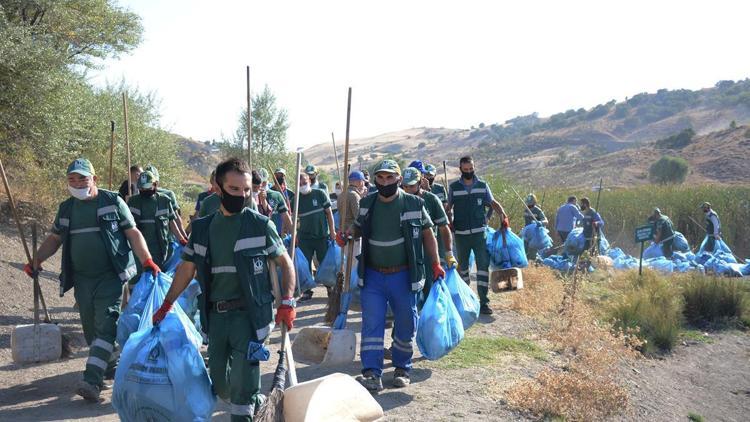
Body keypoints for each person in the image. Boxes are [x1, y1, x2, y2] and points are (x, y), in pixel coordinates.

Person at [151, 158, 296, 421]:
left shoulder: (260, 225)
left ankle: (246, 407)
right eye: (234, 189)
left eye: (247, 190)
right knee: (220, 384)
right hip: (216, 317)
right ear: (217, 188)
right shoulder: (203, 229)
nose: (242, 196)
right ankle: (253, 398)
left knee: (241, 386)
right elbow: (186, 269)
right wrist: (167, 304)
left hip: (249, 317)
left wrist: (287, 301)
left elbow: (285, 263)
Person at [23, 158, 159, 402]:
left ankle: (91, 380)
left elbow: (133, 233)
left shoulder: (112, 201)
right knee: (91, 331)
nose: (77, 183)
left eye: (82, 178)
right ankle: (111, 362)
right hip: (82, 279)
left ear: (94, 179)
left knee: (106, 324)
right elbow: (54, 239)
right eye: (72, 179)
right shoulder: (67, 208)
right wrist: (36, 260)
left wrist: (147, 260)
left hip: (111, 276)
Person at [339, 159, 442, 392]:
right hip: (373, 276)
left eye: (389, 177)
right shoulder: (367, 203)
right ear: (375, 180)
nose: (385, 181)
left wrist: (436, 264)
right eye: (380, 177)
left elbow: (428, 235)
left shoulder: (414, 204)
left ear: (399, 179)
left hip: (403, 276)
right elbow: (356, 227)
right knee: (371, 325)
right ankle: (371, 373)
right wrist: (347, 234)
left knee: (406, 323)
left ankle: (402, 368)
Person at [445, 156, 507, 315]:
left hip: (480, 234)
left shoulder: (482, 185)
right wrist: (448, 222)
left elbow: (492, 203)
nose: (468, 172)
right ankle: (466, 302)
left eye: (471, 169)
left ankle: (484, 302)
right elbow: (448, 208)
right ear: (460, 169)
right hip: (461, 234)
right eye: (465, 170)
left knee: (482, 267)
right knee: (463, 269)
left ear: (474, 167)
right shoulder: (454, 188)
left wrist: (503, 216)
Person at [400, 167, 456, 308]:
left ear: (420, 183)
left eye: (412, 186)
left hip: (428, 256)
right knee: (406, 298)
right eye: (405, 186)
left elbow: (444, 228)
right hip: (406, 256)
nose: (408, 189)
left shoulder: (431, 200)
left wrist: (448, 253)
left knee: (429, 295)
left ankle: (428, 326)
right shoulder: (398, 201)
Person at [127, 170, 188, 288]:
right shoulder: (134, 202)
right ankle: (136, 303)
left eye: (148, 187)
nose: (145, 191)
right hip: (141, 249)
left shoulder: (164, 200)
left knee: (158, 278)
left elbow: (172, 222)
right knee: (139, 279)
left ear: (155, 185)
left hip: (161, 249)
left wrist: (181, 239)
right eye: (142, 188)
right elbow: (129, 227)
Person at [293, 172, 336, 301]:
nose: (302, 185)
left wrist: (333, 231)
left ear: (310, 181)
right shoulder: (295, 200)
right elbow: (293, 219)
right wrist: (293, 234)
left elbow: (329, 214)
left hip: (322, 236)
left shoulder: (320, 194)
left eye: (304, 182)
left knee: (325, 262)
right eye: (299, 184)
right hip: (304, 238)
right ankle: (307, 291)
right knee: (304, 264)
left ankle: (330, 287)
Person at [143, 165, 189, 242]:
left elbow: (176, 218)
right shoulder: (139, 197)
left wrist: (184, 237)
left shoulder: (168, 194)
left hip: (166, 240)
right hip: (146, 241)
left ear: (157, 181)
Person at [253, 170, 292, 236]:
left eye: (264, 182)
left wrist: (293, 233)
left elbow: (286, 217)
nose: (262, 185)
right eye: (260, 182)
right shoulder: (248, 197)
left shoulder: (276, 195)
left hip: (275, 234)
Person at [523, 193, 548, 261]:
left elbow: (546, 221)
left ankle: (534, 263)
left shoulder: (538, 210)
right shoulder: (526, 210)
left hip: (535, 234)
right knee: (525, 249)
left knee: (533, 251)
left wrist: (541, 222)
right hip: (527, 232)